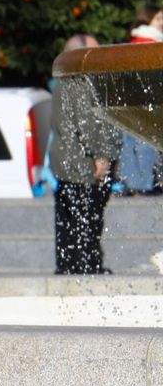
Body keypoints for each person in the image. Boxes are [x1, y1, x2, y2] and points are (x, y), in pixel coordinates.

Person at [49, 33, 120, 274]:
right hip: (82, 163)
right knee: (87, 218)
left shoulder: (64, 80)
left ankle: (69, 265)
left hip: (67, 161)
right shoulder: (79, 83)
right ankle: (87, 265)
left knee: (69, 219)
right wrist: (101, 156)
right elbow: (87, 124)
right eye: (94, 51)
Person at [116, 5, 163, 195]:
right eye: (158, 19)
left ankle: (134, 184)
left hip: (132, 101)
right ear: (147, 19)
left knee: (134, 144)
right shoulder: (148, 42)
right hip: (144, 101)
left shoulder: (136, 40)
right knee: (144, 144)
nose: (162, 23)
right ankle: (141, 186)